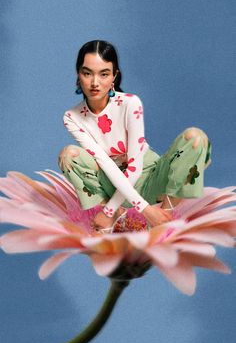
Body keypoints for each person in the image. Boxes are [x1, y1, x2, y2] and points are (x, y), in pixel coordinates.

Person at [58, 40, 212, 232]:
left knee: (195, 138)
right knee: (69, 155)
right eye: (87, 73)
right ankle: (113, 214)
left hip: (150, 180)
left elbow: (136, 167)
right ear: (78, 75)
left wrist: (149, 211)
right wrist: (111, 210)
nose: (95, 82)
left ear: (114, 76)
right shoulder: (72, 117)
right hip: (110, 184)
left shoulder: (130, 104)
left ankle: (165, 216)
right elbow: (103, 161)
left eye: (104, 74)